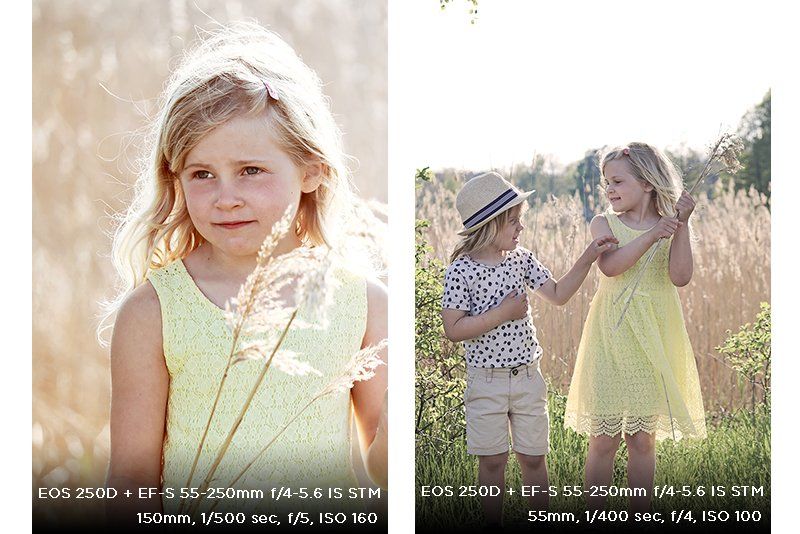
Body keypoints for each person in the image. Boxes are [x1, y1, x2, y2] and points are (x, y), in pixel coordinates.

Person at [102, 23, 388, 521]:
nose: (225, 196)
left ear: (312, 169)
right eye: (202, 174)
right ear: (177, 180)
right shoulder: (154, 311)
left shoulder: (362, 303)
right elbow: (130, 484)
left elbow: (384, 466)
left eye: (250, 170)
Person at [440, 172, 616, 527]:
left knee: (534, 458)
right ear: (490, 225)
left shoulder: (521, 259)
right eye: (513, 222)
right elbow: (453, 329)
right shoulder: (461, 271)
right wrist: (502, 314)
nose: (520, 228)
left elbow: (558, 294)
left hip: (527, 378)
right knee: (492, 462)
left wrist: (587, 258)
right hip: (485, 382)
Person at [564, 143, 707, 513]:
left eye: (617, 181)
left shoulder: (670, 223)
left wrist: (681, 226)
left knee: (642, 439)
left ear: (646, 183)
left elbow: (680, 276)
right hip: (612, 333)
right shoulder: (604, 223)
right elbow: (611, 267)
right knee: (604, 437)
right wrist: (652, 234)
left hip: (655, 333)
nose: (608, 189)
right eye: (605, 182)